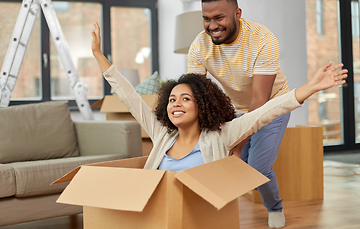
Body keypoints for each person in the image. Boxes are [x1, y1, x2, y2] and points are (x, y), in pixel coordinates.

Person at [91, 21, 346, 222]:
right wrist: (98, 55)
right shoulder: (161, 135)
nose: (175, 103)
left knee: (259, 166)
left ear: (201, 105)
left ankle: (274, 207)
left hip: (204, 217)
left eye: (185, 99)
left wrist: (310, 88)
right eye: (171, 100)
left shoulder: (222, 135)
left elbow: (267, 111)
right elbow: (129, 96)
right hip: (161, 216)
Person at [186, 0, 292, 227]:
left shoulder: (262, 39)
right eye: (206, 19)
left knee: (257, 165)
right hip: (235, 108)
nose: (212, 25)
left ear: (237, 14)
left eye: (219, 18)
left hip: (273, 104)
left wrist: (236, 143)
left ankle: (274, 207)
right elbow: (196, 94)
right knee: (234, 164)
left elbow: (260, 99)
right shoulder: (199, 46)